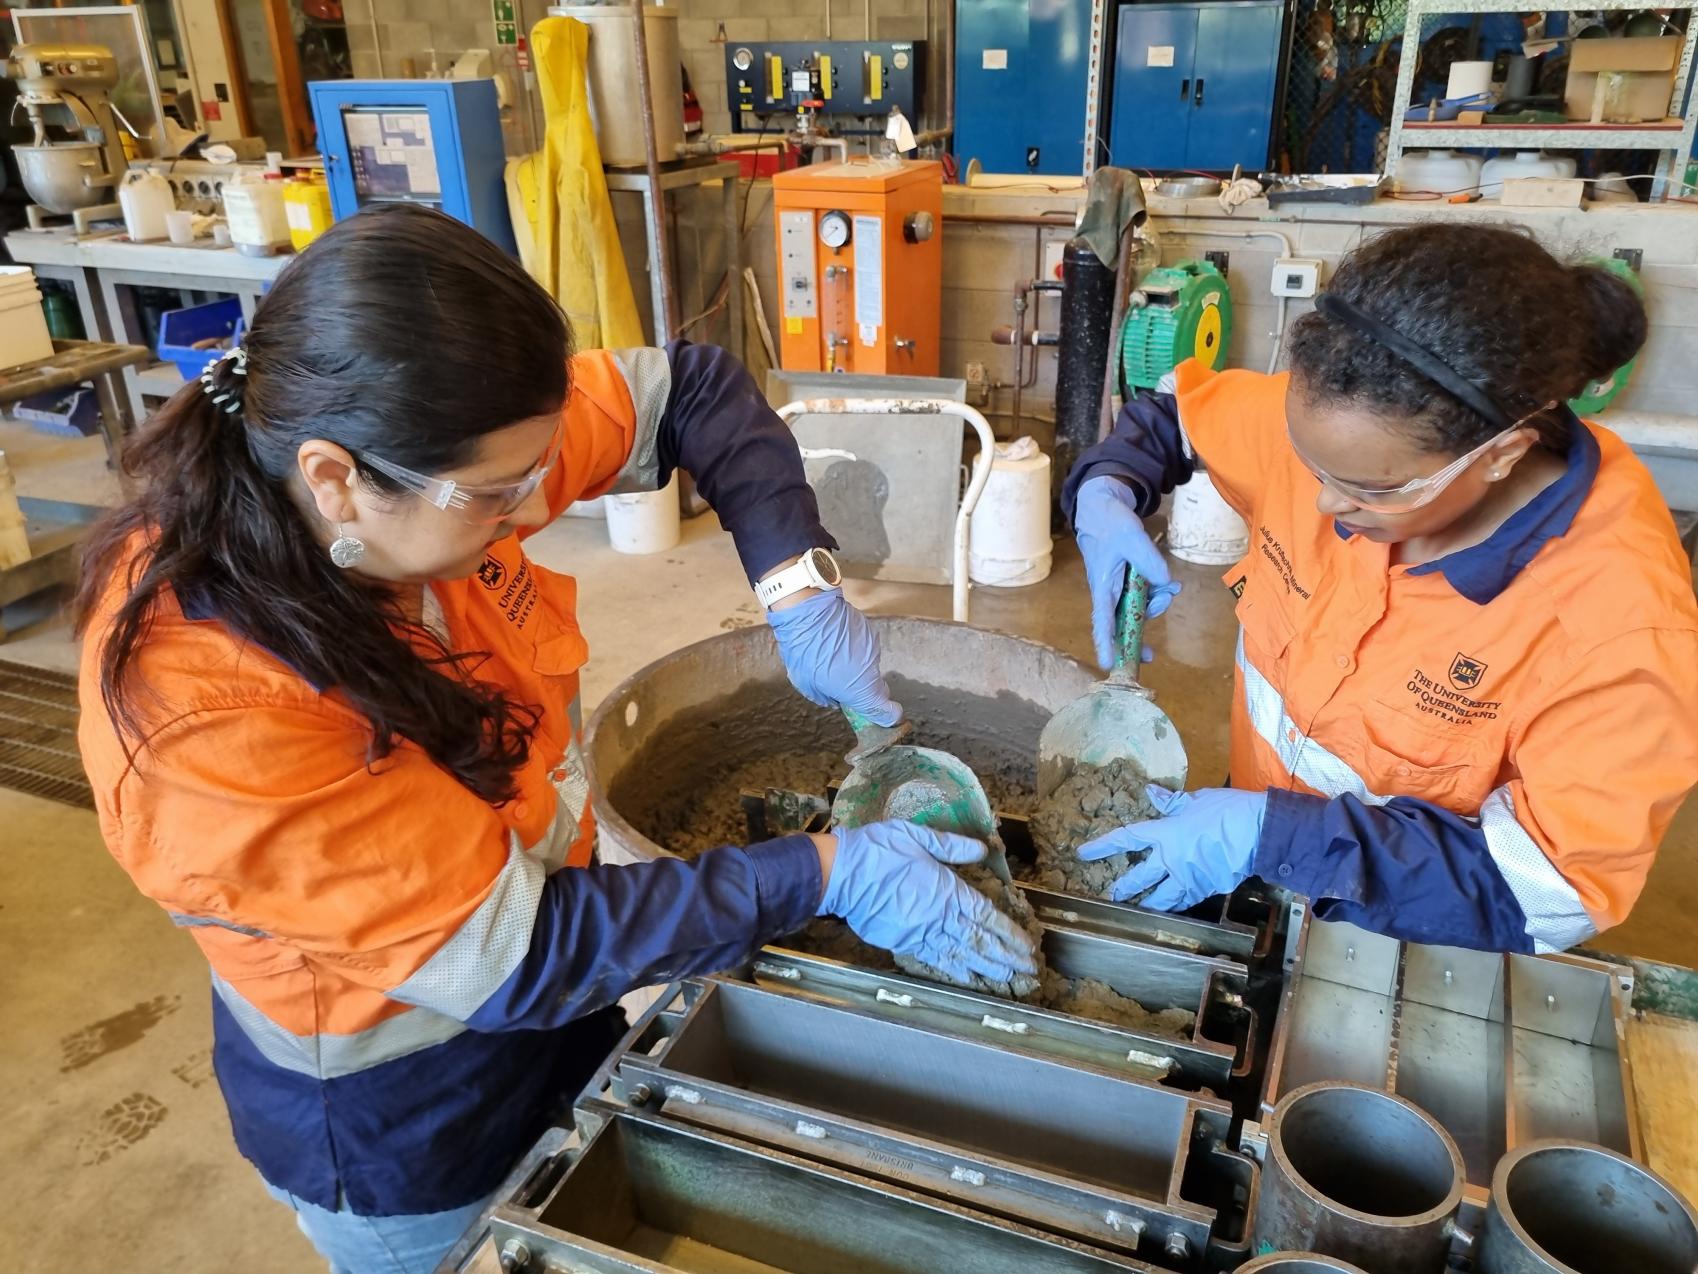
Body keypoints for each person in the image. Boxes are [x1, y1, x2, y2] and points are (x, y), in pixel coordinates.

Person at [74, 204, 1035, 1274]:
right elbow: (517, 953)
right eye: (498, 496)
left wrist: (798, 587)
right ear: (336, 476)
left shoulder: (435, 459)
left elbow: (694, 391)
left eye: (535, 471)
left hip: (552, 1018)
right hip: (411, 1112)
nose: (538, 500)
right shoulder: (208, 708)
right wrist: (832, 870)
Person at [1063, 223, 1698, 954]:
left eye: (1368, 489)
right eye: (1311, 468)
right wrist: (1108, 487)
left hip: (1409, 934)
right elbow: (1178, 419)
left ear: (1503, 455)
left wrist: (1272, 835)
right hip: (1251, 844)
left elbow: (1552, 891)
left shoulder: (1618, 628)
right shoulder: (1348, 423)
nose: (1326, 504)